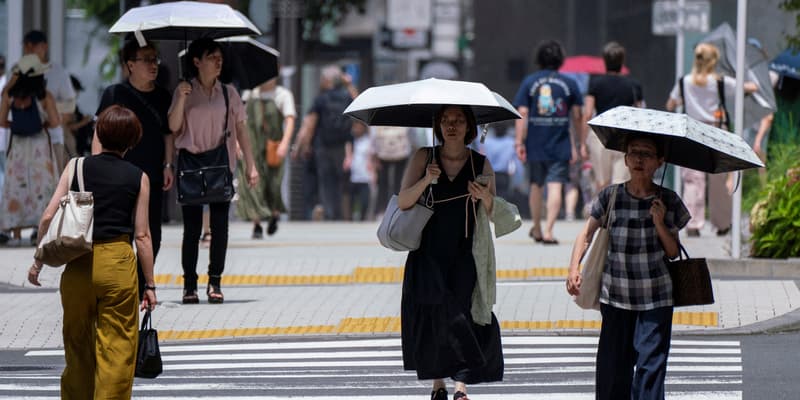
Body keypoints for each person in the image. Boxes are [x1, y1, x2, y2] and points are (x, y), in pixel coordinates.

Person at [27, 105, 157, 399]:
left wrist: (38, 261)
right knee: (118, 347)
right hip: (118, 266)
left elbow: (48, 216)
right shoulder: (139, 177)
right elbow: (143, 236)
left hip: (79, 263)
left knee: (77, 344)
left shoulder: (76, 167)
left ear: (99, 133)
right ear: (133, 140)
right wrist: (149, 284)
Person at [566, 135, 690, 400]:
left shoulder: (668, 200)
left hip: (655, 298)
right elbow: (585, 234)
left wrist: (659, 222)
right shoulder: (611, 196)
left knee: (649, 369)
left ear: (659, 162)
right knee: (613, 372)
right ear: (625, 159)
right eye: (634, 153)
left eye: (647, 154)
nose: (639, 159)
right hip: (616, 298)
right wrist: (573, 268)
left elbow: (673, 252)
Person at [399, 105, 504, 400]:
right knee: (433, 316)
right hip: (427, 253)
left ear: (469, 126)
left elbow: (495, 210)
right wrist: (425, 181)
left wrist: (483, 196)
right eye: (445, 120)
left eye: (458, 120)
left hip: (465, 252)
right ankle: (437, 385)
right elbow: (403, 202)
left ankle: (460, 386)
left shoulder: (480, 164)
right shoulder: (424, 157)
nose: (451, 126)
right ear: (438, 126)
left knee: (461, 316)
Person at [168, 38, 258, 304]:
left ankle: (214, 282)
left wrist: (251, 166)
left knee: (220, 228)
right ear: (196, 62)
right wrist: (181, 99)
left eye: (220, 57)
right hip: (192, 166)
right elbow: (173, 127)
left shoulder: (229, 93)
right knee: (192, 230)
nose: (218, 62)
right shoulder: (184, 90)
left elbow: (242, 130)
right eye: (212, 57)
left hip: (220, 165)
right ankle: (189, 285)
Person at [95, 39, 174, 300]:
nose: (154, 64)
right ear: (130, 65)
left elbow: (168, 134)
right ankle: (126, 289)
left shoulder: (163, 96)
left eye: (155, 59)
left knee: (153, 235)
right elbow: (100, 131)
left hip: (150, 174)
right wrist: (97, 166)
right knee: (121, 235)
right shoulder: (114, 93)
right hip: (117, 175)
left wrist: (167, 165)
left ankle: (140, 285)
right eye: (147, 59)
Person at [666, 43, 758, 236]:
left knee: (692, 180)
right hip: (716, 130)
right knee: (718, 178)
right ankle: (722, 223)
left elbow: (670, 103)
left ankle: (692, 223)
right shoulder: (720, 82)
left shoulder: (685, 81)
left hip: (691, 131)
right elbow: (752, 87)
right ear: (713, 61)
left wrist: (685, 100)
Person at [513, 40, 583, 244]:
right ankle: (549, 231)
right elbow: (578, 115)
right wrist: (580, 143)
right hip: (560, 142)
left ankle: (536, 227)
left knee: (536, 184)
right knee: (555, 185)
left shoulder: (529, 82)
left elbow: (522, 112)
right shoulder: (569, 84)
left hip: (535, 142)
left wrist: (519, 141)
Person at [0, 54, 60, 246]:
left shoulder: (10, 96)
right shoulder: (44, 96)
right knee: (41, 187)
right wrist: (41, 123)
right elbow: (55, 122)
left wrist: (15, 123)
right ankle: (38, 231)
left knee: (16, 187)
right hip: (39, 147)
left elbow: (1, 122)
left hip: (18, 146)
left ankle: (15, 234)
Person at [293, 65, 360, 220]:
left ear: (327, 80)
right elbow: (359, 105)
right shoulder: (345, 96)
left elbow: (311, 123)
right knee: (341, 182)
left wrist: (306, 145)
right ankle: (342, 214)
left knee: (326, 182)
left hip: (323, 146)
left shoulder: (321, 98)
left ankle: (330, 214)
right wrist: (348, 85)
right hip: (342, 146)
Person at [238, 76, 297, 238]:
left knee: (274, 184)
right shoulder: (249, 94)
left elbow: (290, 120)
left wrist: (285, 143)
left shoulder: (283, 95)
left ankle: (274, 215)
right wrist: (237, 142)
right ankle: (256, 225)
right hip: (253, 146)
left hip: (273, 146)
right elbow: (240, 120)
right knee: (254, 185)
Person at [582, 42, 644, 192]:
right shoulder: (633, 85)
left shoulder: (595, 83)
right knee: (620, 182)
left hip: (600, 135)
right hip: (624, 135)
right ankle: (616, 213)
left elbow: (588, 113)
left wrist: (583, 142)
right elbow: (640, 113)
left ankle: (602, 213)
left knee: (601, 182)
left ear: (604, 61)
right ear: (622, 61)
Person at [23, 30, 76, 170]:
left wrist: (52, 115)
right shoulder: (19, 72)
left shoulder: (58, 71)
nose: (30, 51)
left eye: (33, 46)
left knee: (53, 186)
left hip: (52, 139)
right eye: (27, 47)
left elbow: (70, 106)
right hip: (24, 140)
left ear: (44, 47)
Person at [371, 125, 412, 215]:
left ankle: (382, 209)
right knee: (397, 182)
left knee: (383, 183)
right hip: (400, 153)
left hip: (384, 153)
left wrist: (374, 153)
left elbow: (373, 137)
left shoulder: (378, 118)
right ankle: (396, 208)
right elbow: (410, 135)